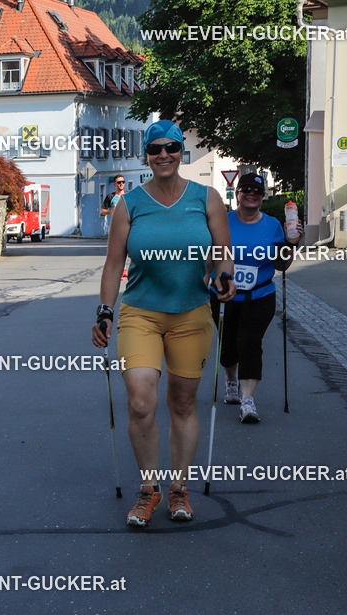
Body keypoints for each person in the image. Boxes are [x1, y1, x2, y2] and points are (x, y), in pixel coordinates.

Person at [91, 120, 236, 528]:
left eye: (171, 147)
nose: (164, 155)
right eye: (155, 149)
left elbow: (224, 253)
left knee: (183, 403)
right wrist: (105, 310)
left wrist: (225, 276)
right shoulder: (130, 204)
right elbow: (114, 263)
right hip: (141, 313)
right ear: (147, 156)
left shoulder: (206, 198)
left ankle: (180, 490)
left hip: (192, 313)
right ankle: (148, 490)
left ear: (181, 152)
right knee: (140, 401)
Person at [212, 172, 300, 423]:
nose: (251, 194)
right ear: (238, 194)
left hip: (259, 295)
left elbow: (282, 265)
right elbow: (209, 255)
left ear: (263, 196)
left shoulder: (272, 225)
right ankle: (231, 380)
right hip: (223, 295)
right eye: (246, 189)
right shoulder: (222, 221)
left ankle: (248, 400)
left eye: (257, 191)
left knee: (250, 342)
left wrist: (292, 243)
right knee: (228, 346)